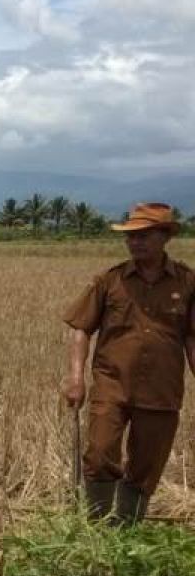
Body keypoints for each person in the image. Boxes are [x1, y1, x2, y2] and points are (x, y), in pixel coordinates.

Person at [63, 202, 195, 524]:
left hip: (161, 391)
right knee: (99, 451)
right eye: (130, 236)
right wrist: (76, 378)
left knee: (146, 466)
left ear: (165, 237)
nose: (134, 242)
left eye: (143, 235)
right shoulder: (111, 281)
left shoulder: (187, 283)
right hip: (112, 385)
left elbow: (192, 337)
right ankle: (95, 530)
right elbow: (82, 328)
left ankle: (125, 534)